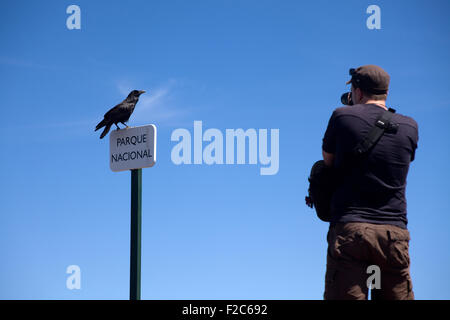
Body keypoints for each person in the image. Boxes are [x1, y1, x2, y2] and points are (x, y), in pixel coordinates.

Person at [321, 65, 418, 300]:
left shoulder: (342, 116)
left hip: (351, 230)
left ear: (358, 91)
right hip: (394, 234)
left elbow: (328, 161)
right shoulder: (410, 127)